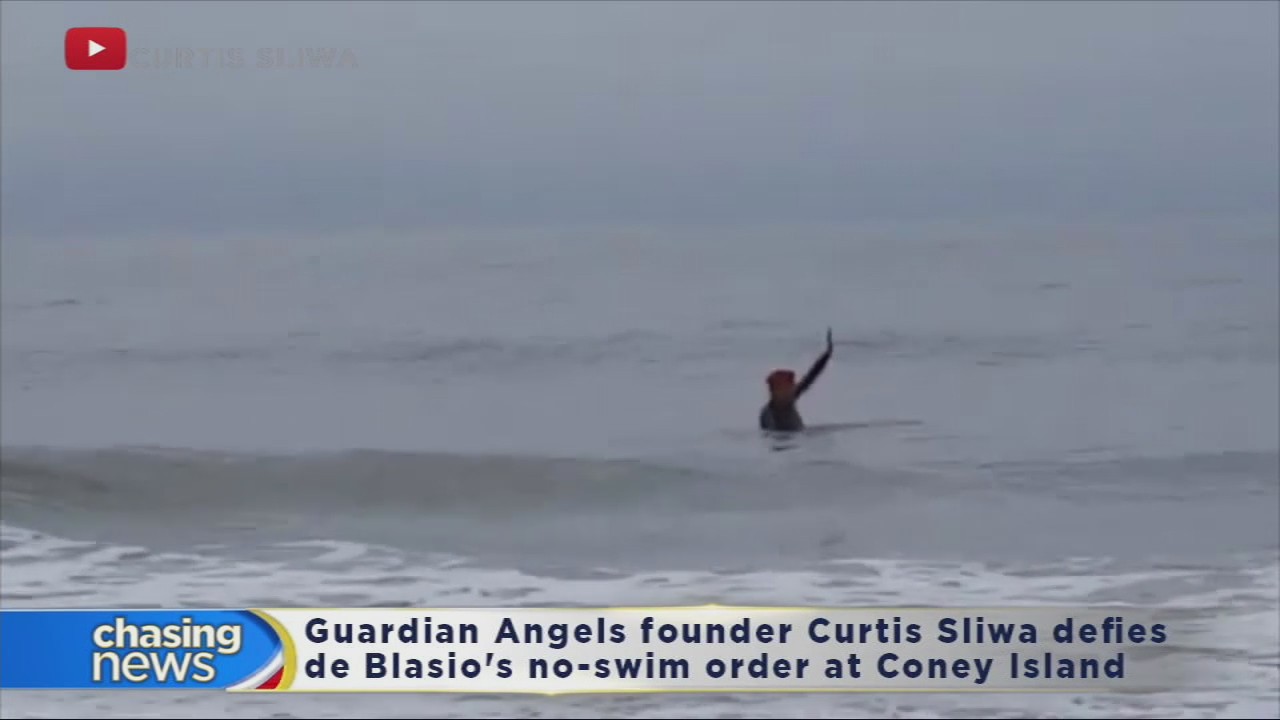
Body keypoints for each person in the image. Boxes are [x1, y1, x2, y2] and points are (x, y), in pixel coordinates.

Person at [759, 328, 834, 432]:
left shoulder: (789, 400)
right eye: (788, 388)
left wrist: (826, 355)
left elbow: (810, 378)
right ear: (775, 392)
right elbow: (771, 435)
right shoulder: (768, 414)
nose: (792, 390)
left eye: (791, 387)